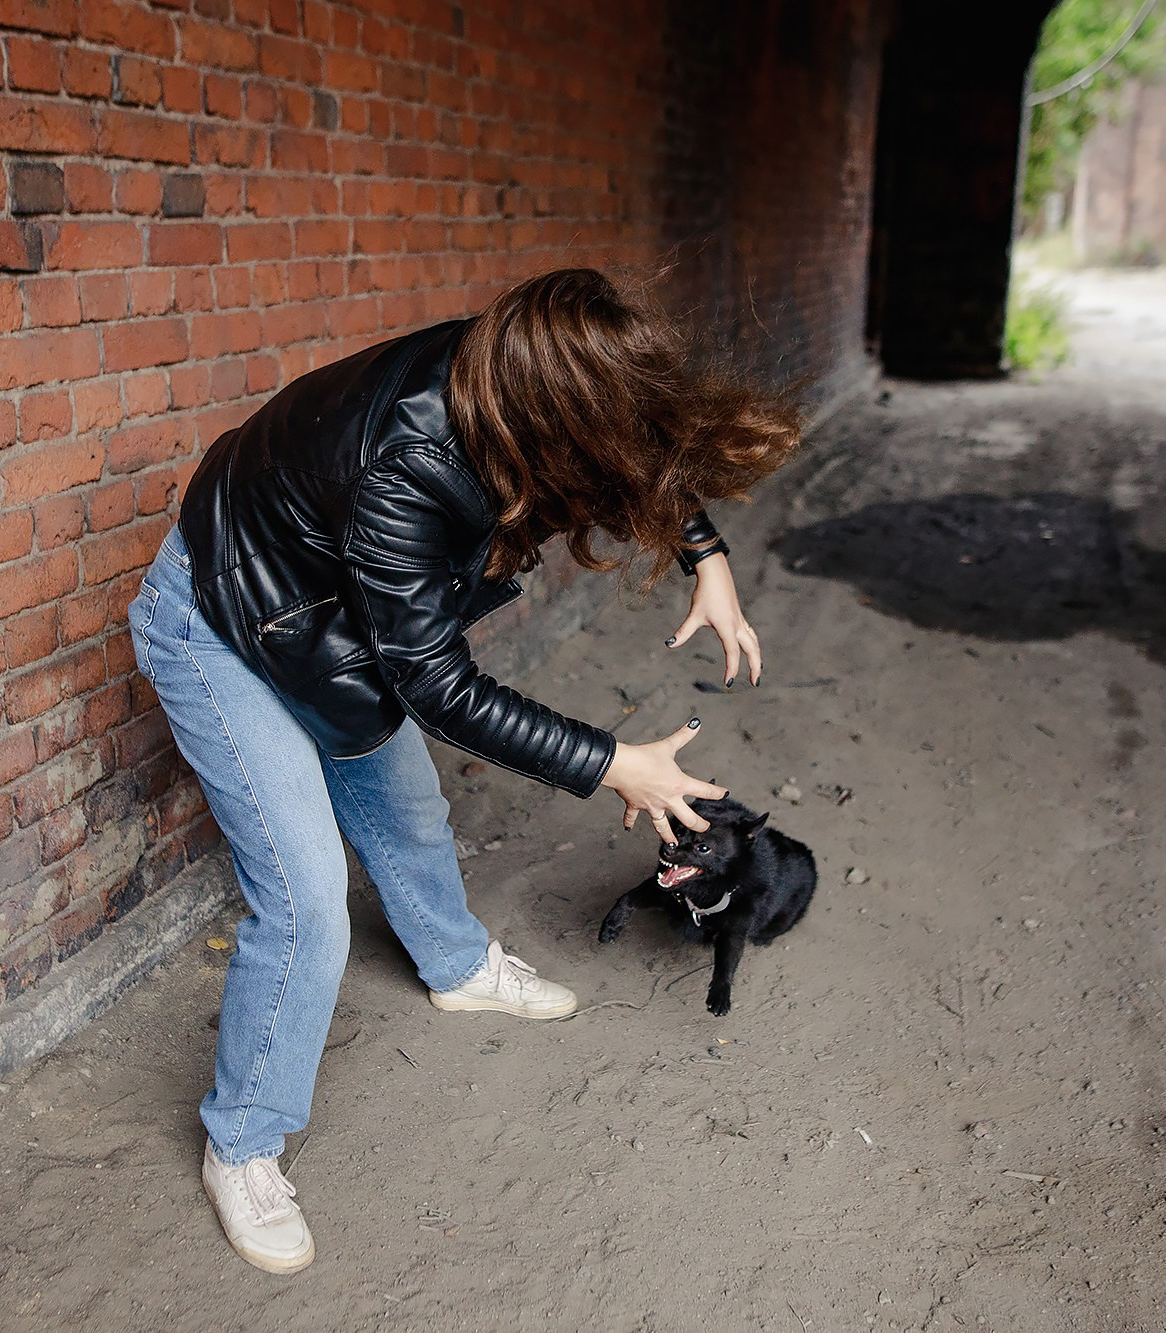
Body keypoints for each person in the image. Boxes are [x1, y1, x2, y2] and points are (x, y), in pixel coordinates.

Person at [126, 267, 800, 1274]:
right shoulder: (405, 463)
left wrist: (707, 553)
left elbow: (632, 441)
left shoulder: (514, 376)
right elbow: (439, 688)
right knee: (305, 900)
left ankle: (454, 966)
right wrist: (612, 762)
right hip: (222, 620)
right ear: (545, 421)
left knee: (407, 810)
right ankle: (243, 1142)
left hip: (330, 622)